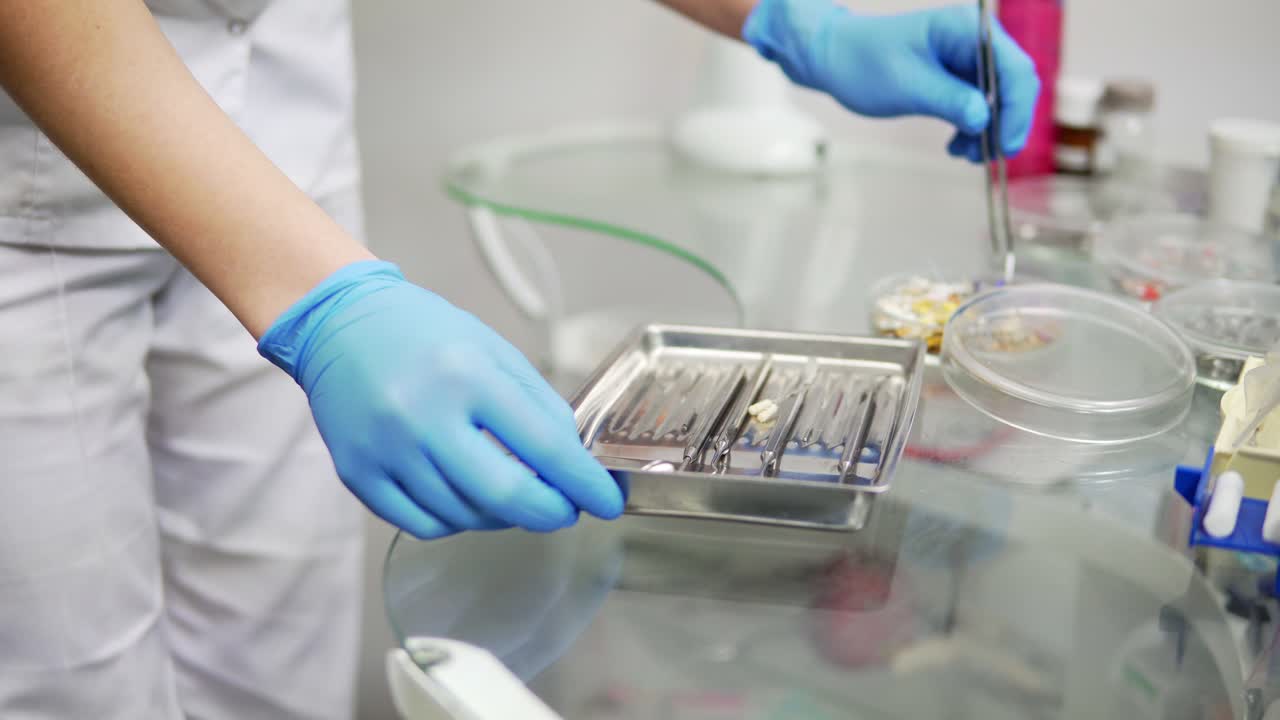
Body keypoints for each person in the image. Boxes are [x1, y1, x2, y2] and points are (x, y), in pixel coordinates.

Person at [0, 0, 1037, 717]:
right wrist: (323, 306)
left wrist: (782, 18)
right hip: (28, 150)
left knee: (277, 668)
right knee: (70, 684)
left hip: (281, 121)